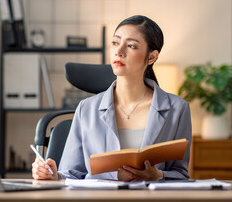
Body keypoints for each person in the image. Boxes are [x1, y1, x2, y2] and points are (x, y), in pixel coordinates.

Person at [32, 15, 192, 181]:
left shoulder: (177, 109)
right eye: (115, 43)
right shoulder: (86, 108)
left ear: (151, 57)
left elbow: (181, 175)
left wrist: (158, 175)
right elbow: (70, 175)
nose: (119, 51)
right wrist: (51, 175)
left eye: (131, 46)